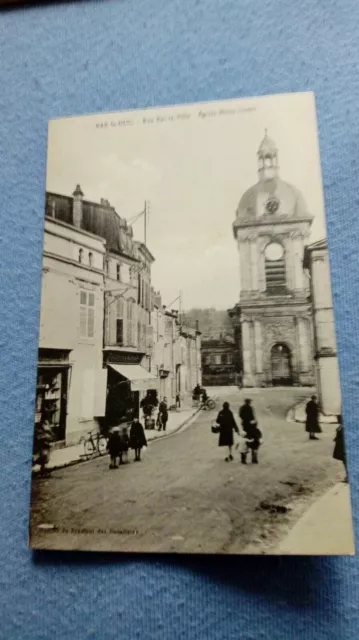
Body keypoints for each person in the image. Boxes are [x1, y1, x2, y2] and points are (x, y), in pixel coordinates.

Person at [333, 414, 348, 482]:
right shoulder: (341, 426)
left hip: (344, 447)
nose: (338, 421)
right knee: (344, 461)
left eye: (339, 419)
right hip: (341, 447)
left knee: (346, 461)